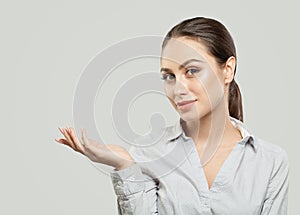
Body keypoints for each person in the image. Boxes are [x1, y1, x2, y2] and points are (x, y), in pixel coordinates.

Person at [55, 17, 289, 214]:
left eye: (192, 71)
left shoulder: (269, 162)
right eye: (169, 76)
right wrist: (125, 165)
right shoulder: (148, 152)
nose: (178, 89)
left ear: (227, 69)